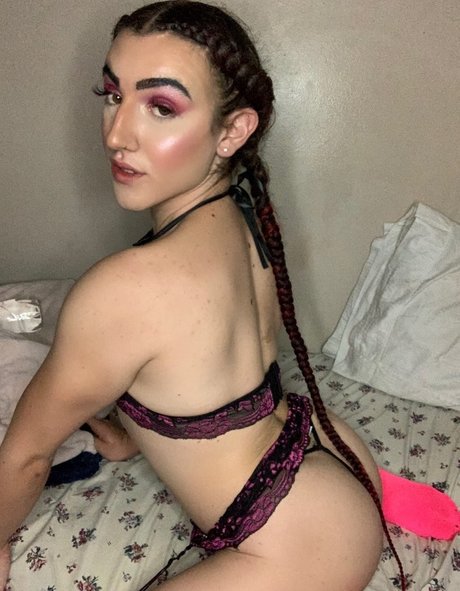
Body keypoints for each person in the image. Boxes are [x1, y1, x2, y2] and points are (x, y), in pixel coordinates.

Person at [0, 2, 406, 589]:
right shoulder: (246, 215)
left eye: (161, 107)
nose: (116, 134)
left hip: (304, 544)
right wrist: (127, 435)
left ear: (233, 130)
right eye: (112, 94)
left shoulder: (122, 290)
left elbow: (24, 457)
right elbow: (201, 375)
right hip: (329, 450)